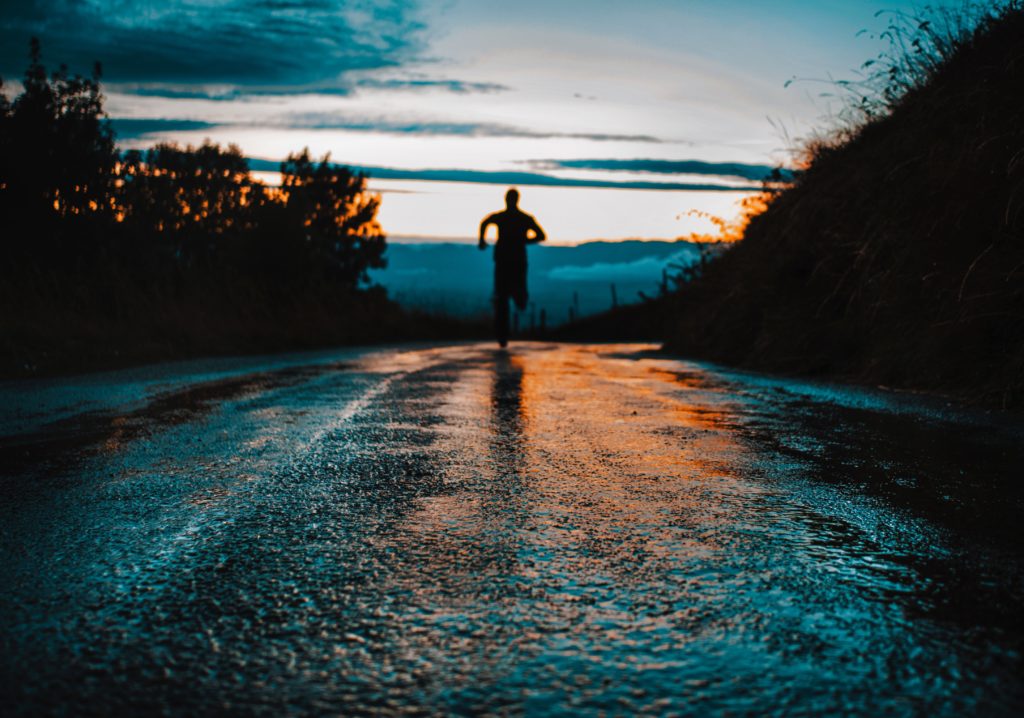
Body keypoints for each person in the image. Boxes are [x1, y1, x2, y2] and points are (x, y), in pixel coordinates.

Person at [478, 188, 546, 347]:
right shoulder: (524, 218)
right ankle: (502, 334)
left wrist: (482, 240)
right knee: (502, 297)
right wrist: (523, 240)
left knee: (506, 296)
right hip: (512, 260)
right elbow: (540, 235)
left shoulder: (509, 217)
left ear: (507, 199)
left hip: (508, 260)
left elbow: (485, 222)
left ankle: (516, 304)